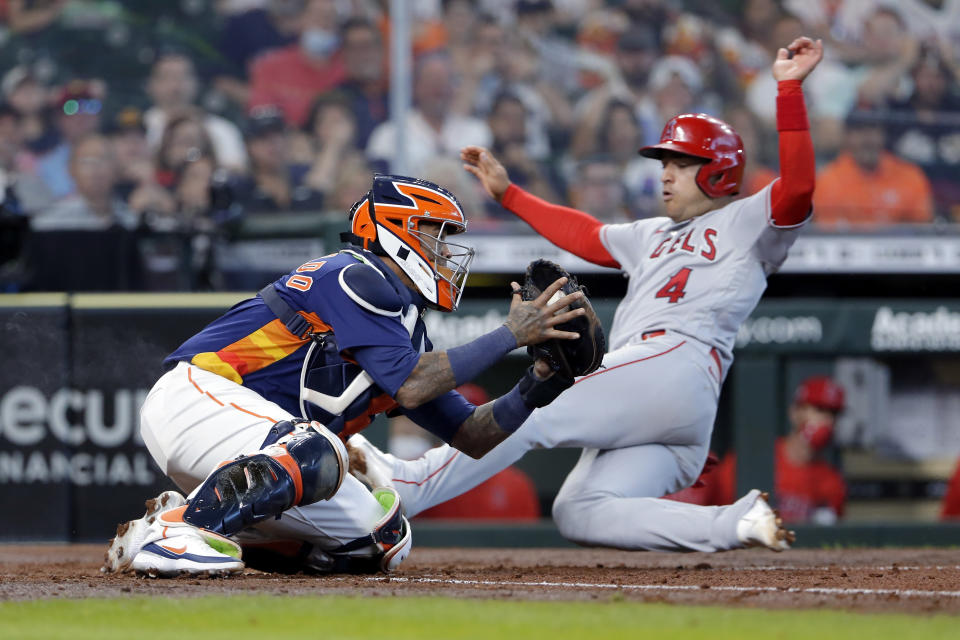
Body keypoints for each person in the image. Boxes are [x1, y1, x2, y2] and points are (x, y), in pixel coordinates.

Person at [351, 36, 826, 553]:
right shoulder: (653, 234)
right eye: (664, 160)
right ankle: (734, 523)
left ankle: (407, 485)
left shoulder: (749, 220)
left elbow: (798, 189)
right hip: (666, 398)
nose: (665, 171)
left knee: (537, 402)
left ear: (717, 170)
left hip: (677, 360)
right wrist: (511, 195)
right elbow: (585, 235)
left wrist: (787, 92)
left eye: (681, 162)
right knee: (580, 510)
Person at [102, 174, 586, 577]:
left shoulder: (405, 328)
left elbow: (472, 434)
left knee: (380, 537)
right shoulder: (355, 273)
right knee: (322, 450)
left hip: (250, 444)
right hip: (198, 397)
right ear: (397, 232)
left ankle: (173, 518)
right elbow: (410, 382)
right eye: (434, 235)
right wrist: (509, 334)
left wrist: (541, 382)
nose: (444, 253)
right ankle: (180, 531)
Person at [692, 376, 848, 525]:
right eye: (820, 409)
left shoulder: (831, 481)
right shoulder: (753, 458)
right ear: (795, 412)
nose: (827, 420)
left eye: (833, 414)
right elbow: (714, 515)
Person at [813, 109, 934, 228]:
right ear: (847, 136)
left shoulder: (910, 176)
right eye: (859, 130)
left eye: (874, 129)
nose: (867, 139)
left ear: (884, 134)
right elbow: (828, 234)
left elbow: (921, 229)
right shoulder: (827, 180)